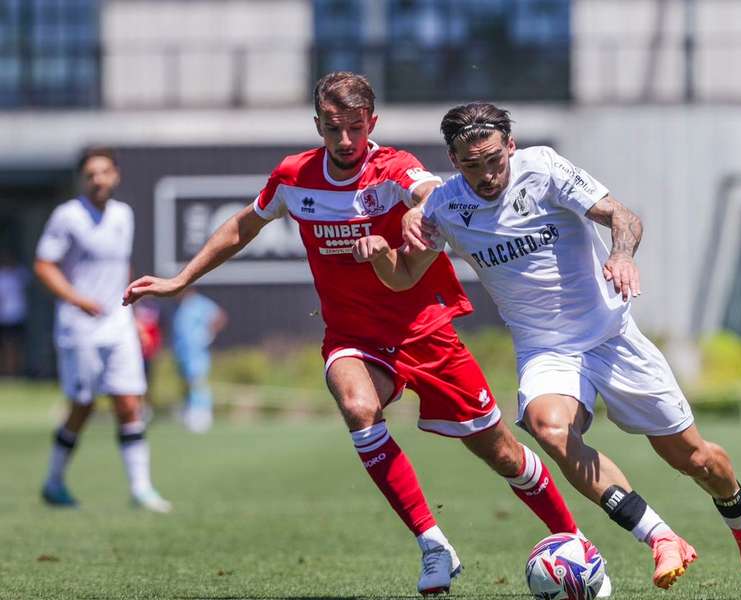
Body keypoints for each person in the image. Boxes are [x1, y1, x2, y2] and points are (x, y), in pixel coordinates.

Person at [123, 72, 582, 596]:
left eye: (356, 128)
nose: (345, 141)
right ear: (317, 124)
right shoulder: (294, 176)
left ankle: (572, 539)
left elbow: (429, 189)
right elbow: (242, 227)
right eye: (333, 128)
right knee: (359, 408)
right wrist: (182, 278)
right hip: (353, 337)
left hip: (423, 330)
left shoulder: (392, 167)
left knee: (498, 450)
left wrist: (418, 211)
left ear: (372, 124)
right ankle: (432, 543)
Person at [353, 102, 741, 591]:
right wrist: (382, 257)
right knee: (549, 429)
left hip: (611, 337)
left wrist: (620, 255)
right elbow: (404, 277)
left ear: (510, 145)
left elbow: (623, 216)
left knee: (696, 460)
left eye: (494, 159)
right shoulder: (445, 208)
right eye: (472, 165)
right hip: (545, 350)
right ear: (453, 160)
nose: (487, 174)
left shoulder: (544, 169)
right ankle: (661, 537)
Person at [34, 147, 172, 513]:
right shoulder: (68, 216)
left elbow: (120, 267)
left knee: (129, 402)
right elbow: (44, 265)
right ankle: (53, 481)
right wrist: (77, 299)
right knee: (82, 406)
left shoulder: (123, 215)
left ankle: (141, 489)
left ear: (116, 176)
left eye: (105, 172)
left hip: (118, 323)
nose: (99, 179)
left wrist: (136, 317)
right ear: (83, 179)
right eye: (91, 173)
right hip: (79, 326)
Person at [172, 288, 227, 433]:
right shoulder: (181, 306)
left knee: (198, 382)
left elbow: (220, 316)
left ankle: (202, 414)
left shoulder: (200, 303)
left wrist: (208, 334)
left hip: (198, 353)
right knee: (187, 384)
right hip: (183, 353)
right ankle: (189, 411)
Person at [0, 248, 29, 376]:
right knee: (6, 347)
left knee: (16, 346)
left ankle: (14, 372)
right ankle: (6, 372)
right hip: (3, 317)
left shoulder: (20, 273)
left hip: (17, 316)